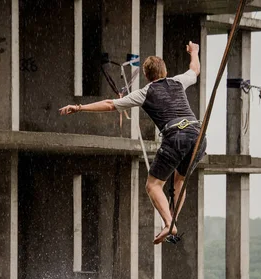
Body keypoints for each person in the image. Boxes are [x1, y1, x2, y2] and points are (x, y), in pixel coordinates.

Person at [59, 41, 206, 244]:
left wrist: (79, 107)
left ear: (146, 75)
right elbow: (195, 70)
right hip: (198, 134)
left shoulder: (145, 92)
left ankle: (169, 224)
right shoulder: (178, 81)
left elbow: (111, 104)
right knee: (179, 179)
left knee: (153, 185)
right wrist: (194, 52)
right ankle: (171, 222)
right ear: (165, 71)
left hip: (176, 135)